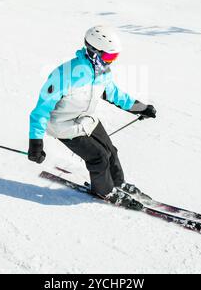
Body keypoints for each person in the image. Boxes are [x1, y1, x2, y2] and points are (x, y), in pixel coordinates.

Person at [28, 25, 156, 208]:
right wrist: (35, 143)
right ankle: (105, 191)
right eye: (109, 57)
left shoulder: (101, 71)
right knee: (99, 156)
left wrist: (140, 107)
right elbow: (41, 110)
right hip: (62, 125)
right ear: (93, 51)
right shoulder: (65, 75)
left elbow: (112, 93)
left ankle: (118, 183)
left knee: (111, 151)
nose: (111, 61)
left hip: (86, 118)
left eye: (115, 57)